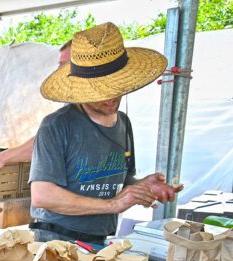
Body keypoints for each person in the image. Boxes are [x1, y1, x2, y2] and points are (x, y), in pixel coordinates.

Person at [28, 22, 181, 245]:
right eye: (101, 90)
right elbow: (43, 196)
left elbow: (119, 178)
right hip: (57, 242)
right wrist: (114, 205)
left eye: (115, 88)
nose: (111, 98)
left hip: (101, 239)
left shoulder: (124, 123)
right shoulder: (57, 125)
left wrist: (141, 186)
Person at [0, 40, 72, 175]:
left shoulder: (84, 109)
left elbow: (47, 143)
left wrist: (1, 157)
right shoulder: (74, 106)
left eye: (63, 64)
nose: (58, 71)